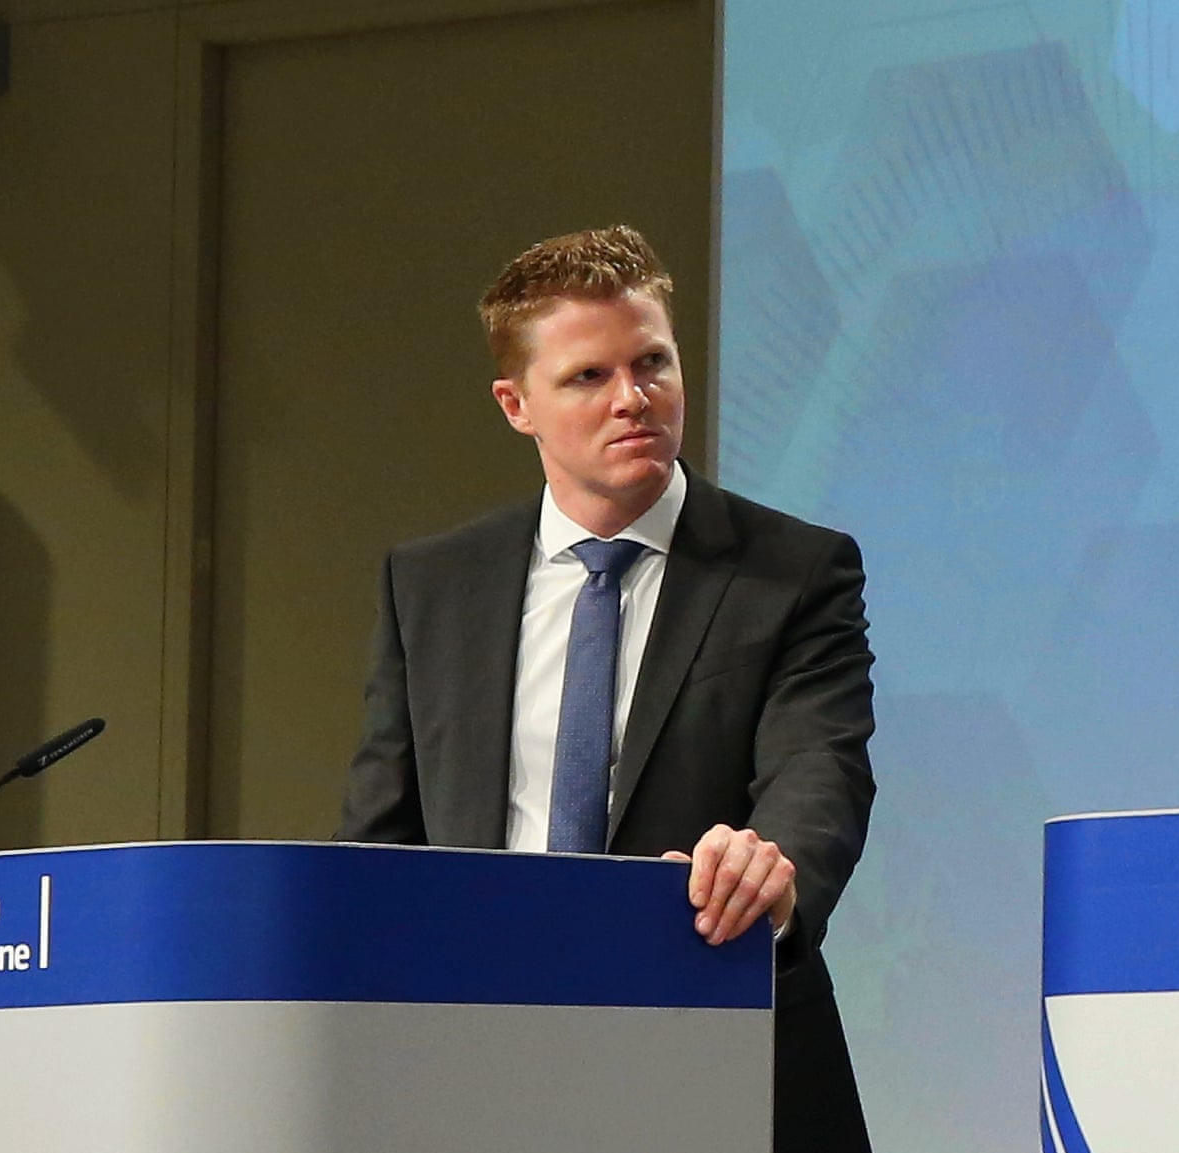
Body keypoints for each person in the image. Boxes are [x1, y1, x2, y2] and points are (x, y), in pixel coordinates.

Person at [337, 224, 876, 1152]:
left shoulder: (794, 571)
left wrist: (769, 869)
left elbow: (819, 768)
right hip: (481, 1070)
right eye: (589, 376)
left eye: (653, 362)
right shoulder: (433, 584)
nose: (634, 398)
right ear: (516, 404)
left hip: (718, 1044)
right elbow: (381, 839)